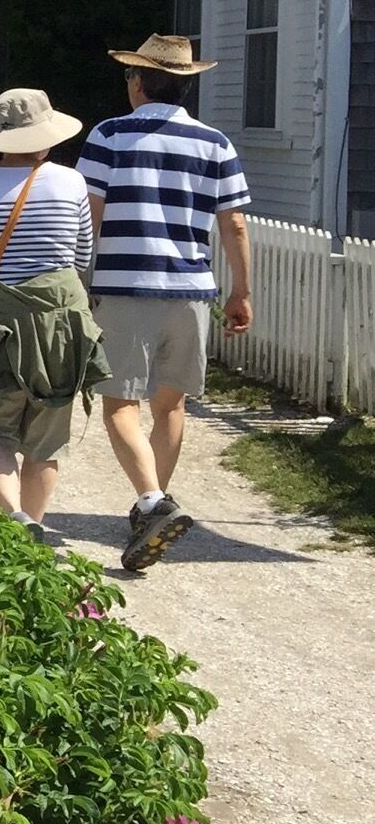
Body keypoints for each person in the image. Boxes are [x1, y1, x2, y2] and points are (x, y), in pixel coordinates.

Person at [75, 34, 253, 572]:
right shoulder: (215, 143)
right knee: (171, 405)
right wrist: (241, 291)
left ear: (136, 81)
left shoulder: (109, 135)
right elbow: (235, 223)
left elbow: (90, 214)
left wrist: (78, 281)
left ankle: (153, 502)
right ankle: (154, 503)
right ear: (185, 85)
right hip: (191, 290)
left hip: (125, 286)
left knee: (119, 403)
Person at [0, 88, 106, 538]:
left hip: (0, 322)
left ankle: (13, 516)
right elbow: (82, 254)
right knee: (47, 437)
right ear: (45, 136)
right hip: (63, 322)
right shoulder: (71, 182)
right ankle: (33, 527)